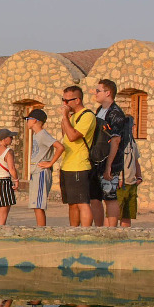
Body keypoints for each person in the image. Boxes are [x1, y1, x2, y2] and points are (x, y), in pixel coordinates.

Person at [90, 79, 130, 227]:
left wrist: (109, 166)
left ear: (108, 93)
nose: (95, 93)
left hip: (110, 162)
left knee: (110, 197)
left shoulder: (116, 114)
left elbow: (116, 140)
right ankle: (99, 229)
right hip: (96, 160)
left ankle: (111, 230)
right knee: (95, 198)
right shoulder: (99, 110)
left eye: (98, 90)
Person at [58, 85, 96, 227]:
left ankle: (86, 231)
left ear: (77, 100)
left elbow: (73, 136)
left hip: (79, 165)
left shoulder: (88, 116)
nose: (65, 104)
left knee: (82, 202)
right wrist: (66, 118)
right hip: (67, 164)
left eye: (67, 101)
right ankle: (73, 231)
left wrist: (64, 117)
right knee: (72, 203)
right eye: (63, 100)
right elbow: (65, 135)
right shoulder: (72, 117)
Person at [24, 109, 63, 227]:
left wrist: (50, 163)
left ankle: (41, 229)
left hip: (41, 172)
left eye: (28, 119)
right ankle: (39, 227)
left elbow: (60, 147)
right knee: (35, 204)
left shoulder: (43, 134)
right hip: (35, 172)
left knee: (39, 204)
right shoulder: (36, 135)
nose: (27, 122)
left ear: (35, 120)